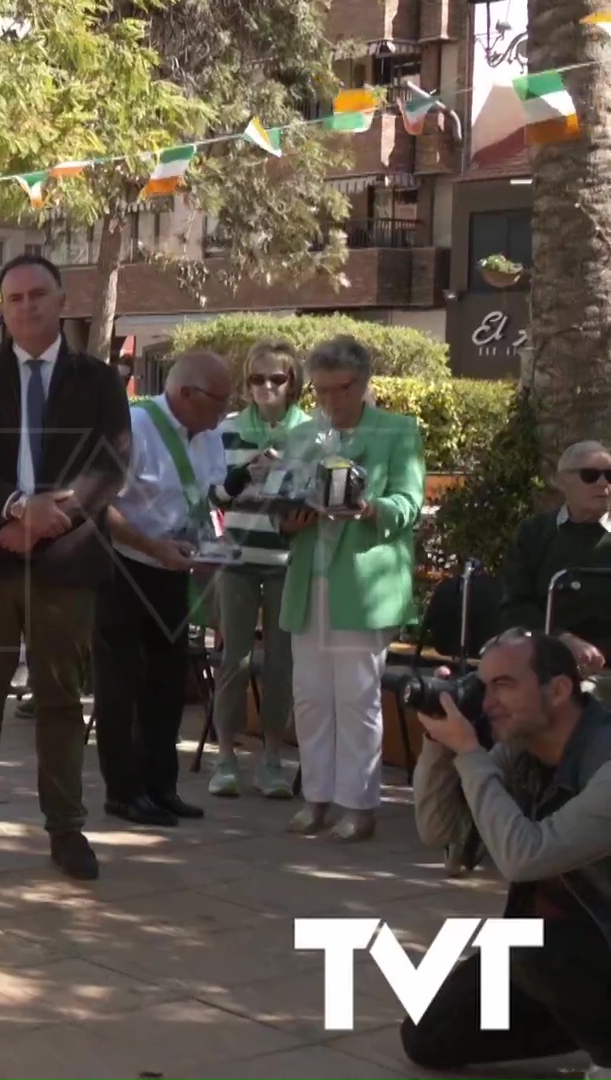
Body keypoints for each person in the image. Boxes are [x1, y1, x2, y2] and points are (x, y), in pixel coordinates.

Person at [0, 254, 130, 880]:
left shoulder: (98, 381)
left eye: (37, 295)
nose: (26, 307)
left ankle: (66, 829)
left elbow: (112, 465)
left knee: (60, 700)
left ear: (62, 299)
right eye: (14, 298)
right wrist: (20, 509)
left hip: (67, 563)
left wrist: (54, 517)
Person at [408, 631, 611, 1076]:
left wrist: (469, 752)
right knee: (430, 1035)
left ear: (557, 690)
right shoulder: (520, 751)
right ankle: (589, 1025)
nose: (487, 702)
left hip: (584, 941)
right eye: (482, 685)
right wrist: (439, 744)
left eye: (504, 685)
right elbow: (440, 832)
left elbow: (525, 858)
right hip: (568, 947)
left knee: (536, 944)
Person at [277, 336, 423, 842]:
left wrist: (369, 508)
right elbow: (282, 498)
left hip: (362, 584)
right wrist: (287, 520)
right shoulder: (303, 435)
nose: (331, 400)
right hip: (308, 580)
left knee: (357, 699)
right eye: (321, 391)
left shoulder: (398, 430)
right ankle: (316, 797)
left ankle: (358, 806)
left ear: (363, 383)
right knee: (310, 696)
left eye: (341, 389)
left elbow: (409, 503)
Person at [95, 351, 233, 828]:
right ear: (186, 394)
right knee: (121, 685)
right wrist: (151, 546)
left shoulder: (209, 436)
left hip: (174, 570)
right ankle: (123, 792)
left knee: (167, 683)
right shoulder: (132, 428)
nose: (225, 411)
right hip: (124, 569)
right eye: (219, 400)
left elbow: (205, 499)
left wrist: (212, 547)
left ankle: (161, 786)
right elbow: (98, 505)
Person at [205, 339, 304, 799]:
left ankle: (272, 761)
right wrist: (244, 474)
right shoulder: (228, 430)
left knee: (282, 665)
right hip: (238, 560)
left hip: (288, 562)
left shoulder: (310, 433)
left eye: (277, 378)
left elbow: (318, 496)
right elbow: (214, 496)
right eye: (257, 378)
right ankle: (225, 759)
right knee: (235, 661)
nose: (266, 387)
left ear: (293, 383)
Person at [501, 440, 611, 687]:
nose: (603, 483)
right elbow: (515, 606)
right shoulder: (534, 534)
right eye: (590, 475)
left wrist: (598, 653)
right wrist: (562, 640)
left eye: (609, 475)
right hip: (543, 663)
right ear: (562, 481)